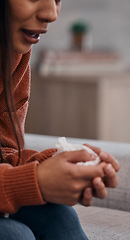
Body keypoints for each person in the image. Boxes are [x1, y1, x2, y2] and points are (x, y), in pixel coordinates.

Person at [0, 0, 120, 239]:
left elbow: (5, 152)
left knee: (58, 216)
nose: (51, 14)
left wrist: (55, 165)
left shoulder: (14, 52)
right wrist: (33, 181)